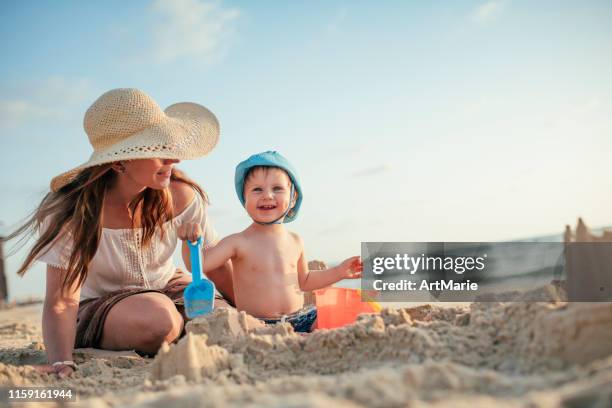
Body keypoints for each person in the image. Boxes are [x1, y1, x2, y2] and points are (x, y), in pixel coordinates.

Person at [3, 88, 234, 378]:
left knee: (223, 320)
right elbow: (62, 301)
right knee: (161, 321)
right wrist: (62, 360)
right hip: (102, 305)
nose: (173, 159)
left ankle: (180, 328)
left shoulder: (181, 195)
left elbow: (216, 263)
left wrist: (250, 315)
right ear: (119, 161)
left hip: (168, 285)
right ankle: (172, 330)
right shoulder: (72, 212)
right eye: (157, 149)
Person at [179, 151, 362, 333]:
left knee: (342, 316)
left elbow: (304, 281)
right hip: (257, 324)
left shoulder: (295, 240)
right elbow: (199, 263)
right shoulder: (238, 242)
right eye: (257, 189)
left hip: (300, 318)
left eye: (277, 189)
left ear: (293, 199)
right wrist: (189, 241)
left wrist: (340, 271)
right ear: (245, 200)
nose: (267, 195)